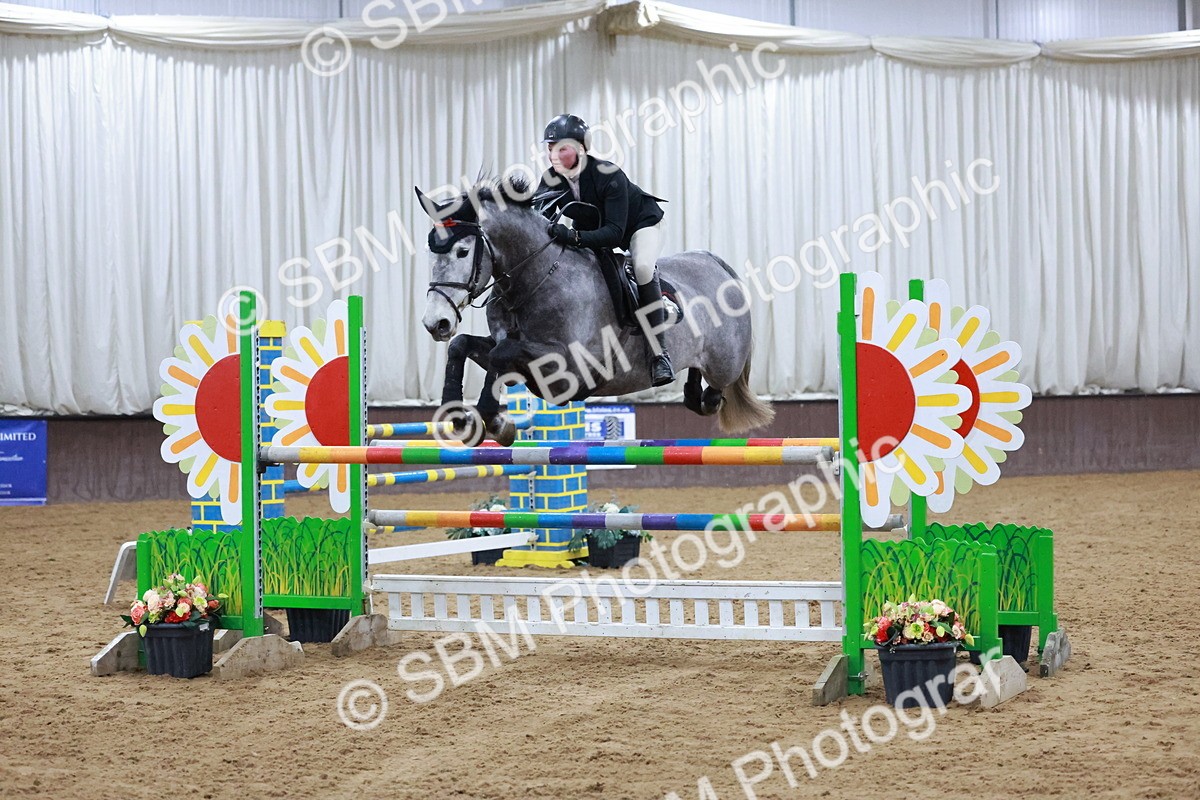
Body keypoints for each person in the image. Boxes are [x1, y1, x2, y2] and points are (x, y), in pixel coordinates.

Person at [535, 113, 674, 387]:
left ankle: (660, 355)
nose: (554, 154)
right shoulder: (551, 179)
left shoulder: (608, 174)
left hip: (640, 225)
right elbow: (538, 218)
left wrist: (573, 236)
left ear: (581, 149)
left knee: (642, 267)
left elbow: (614, 234)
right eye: (551, 148)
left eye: (562, 148)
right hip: (594, 232)